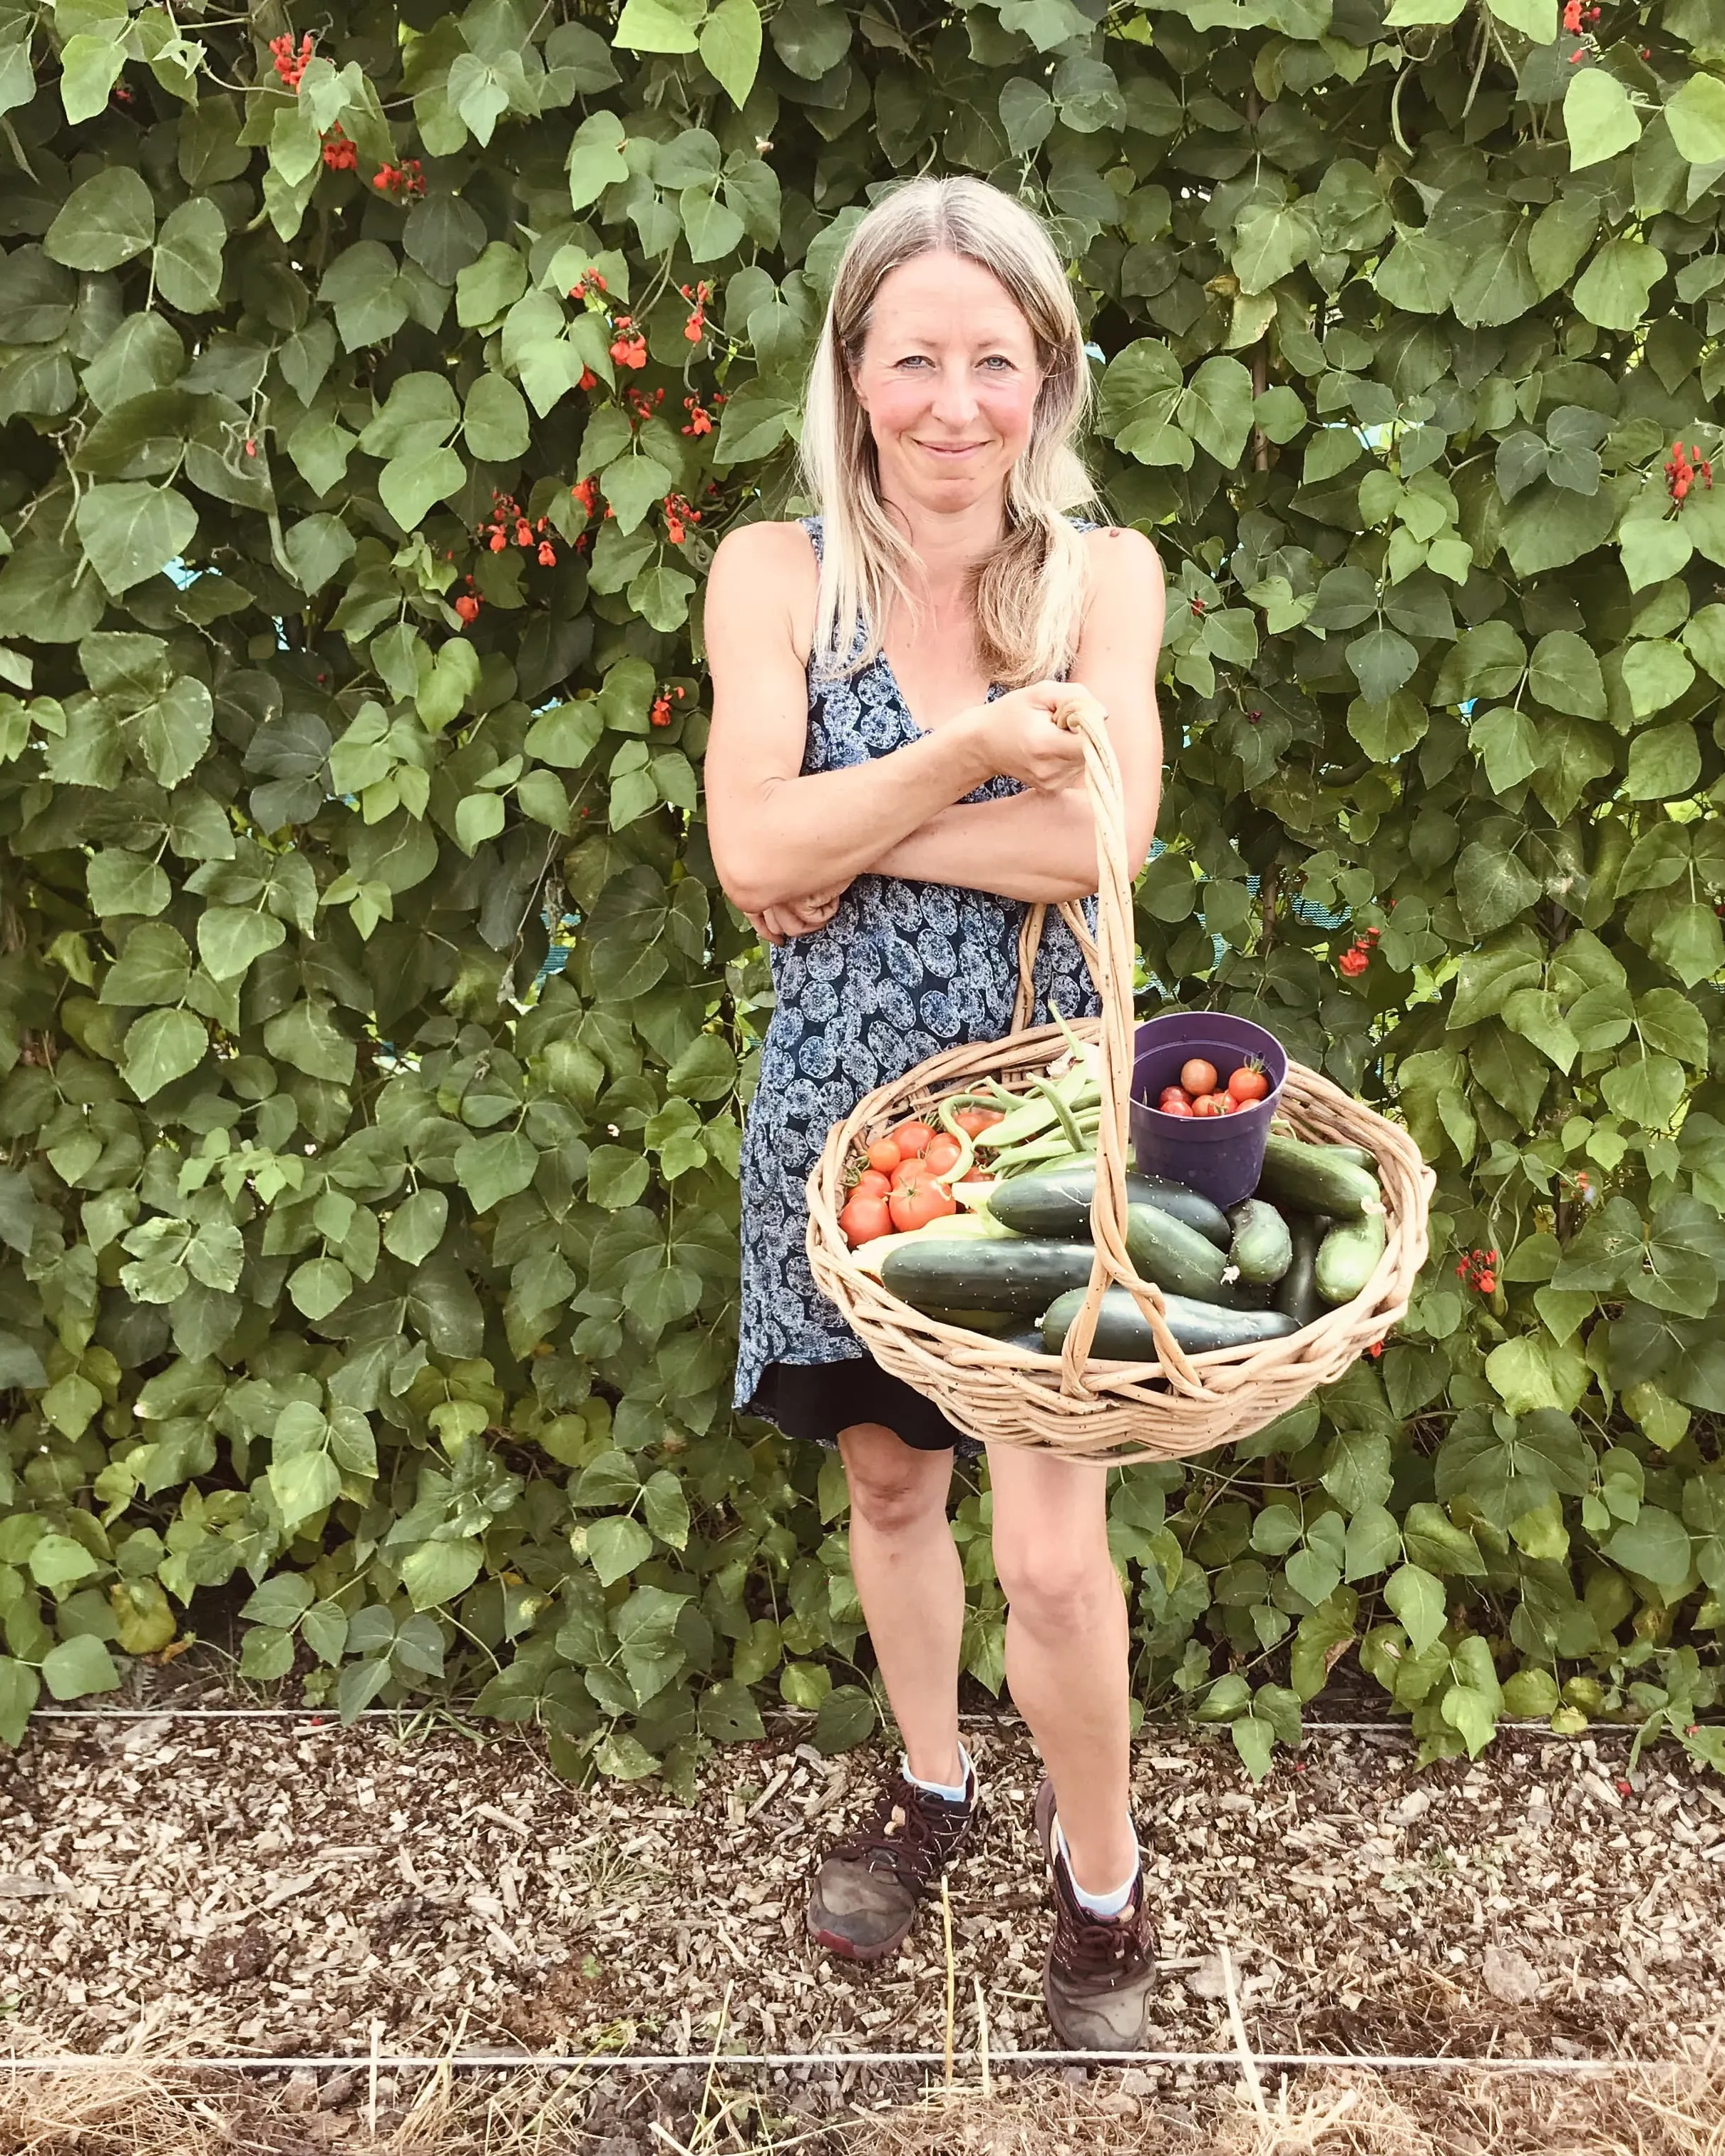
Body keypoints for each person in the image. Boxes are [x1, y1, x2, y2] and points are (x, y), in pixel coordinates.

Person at [697, 174, 1168, 2050]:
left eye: (995, 357)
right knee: (891, 1480)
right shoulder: (773, 572)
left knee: (1054, 1549)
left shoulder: (1097, 578)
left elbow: (1107, 836)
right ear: (856, 372)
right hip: (842, 1122)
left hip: (1043, 1120)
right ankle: (934, 1780)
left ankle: (1106, 1876)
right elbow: (751, 847)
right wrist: (978, 769)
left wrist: (879, 813)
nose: (955, 402)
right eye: (917, 358)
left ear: (1043, 373)